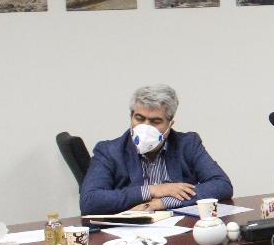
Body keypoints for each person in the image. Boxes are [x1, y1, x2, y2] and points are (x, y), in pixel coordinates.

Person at [79, 84, 233, 214]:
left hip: (178, 229)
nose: (145, 127)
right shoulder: (109, 151)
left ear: (170, 124)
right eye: (139, 118)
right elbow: (89, 201)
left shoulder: (188, 144)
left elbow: (222, 185)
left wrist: (163, 202)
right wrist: (151, 190)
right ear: (131, 117)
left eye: (155, 121)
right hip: (128, 232)